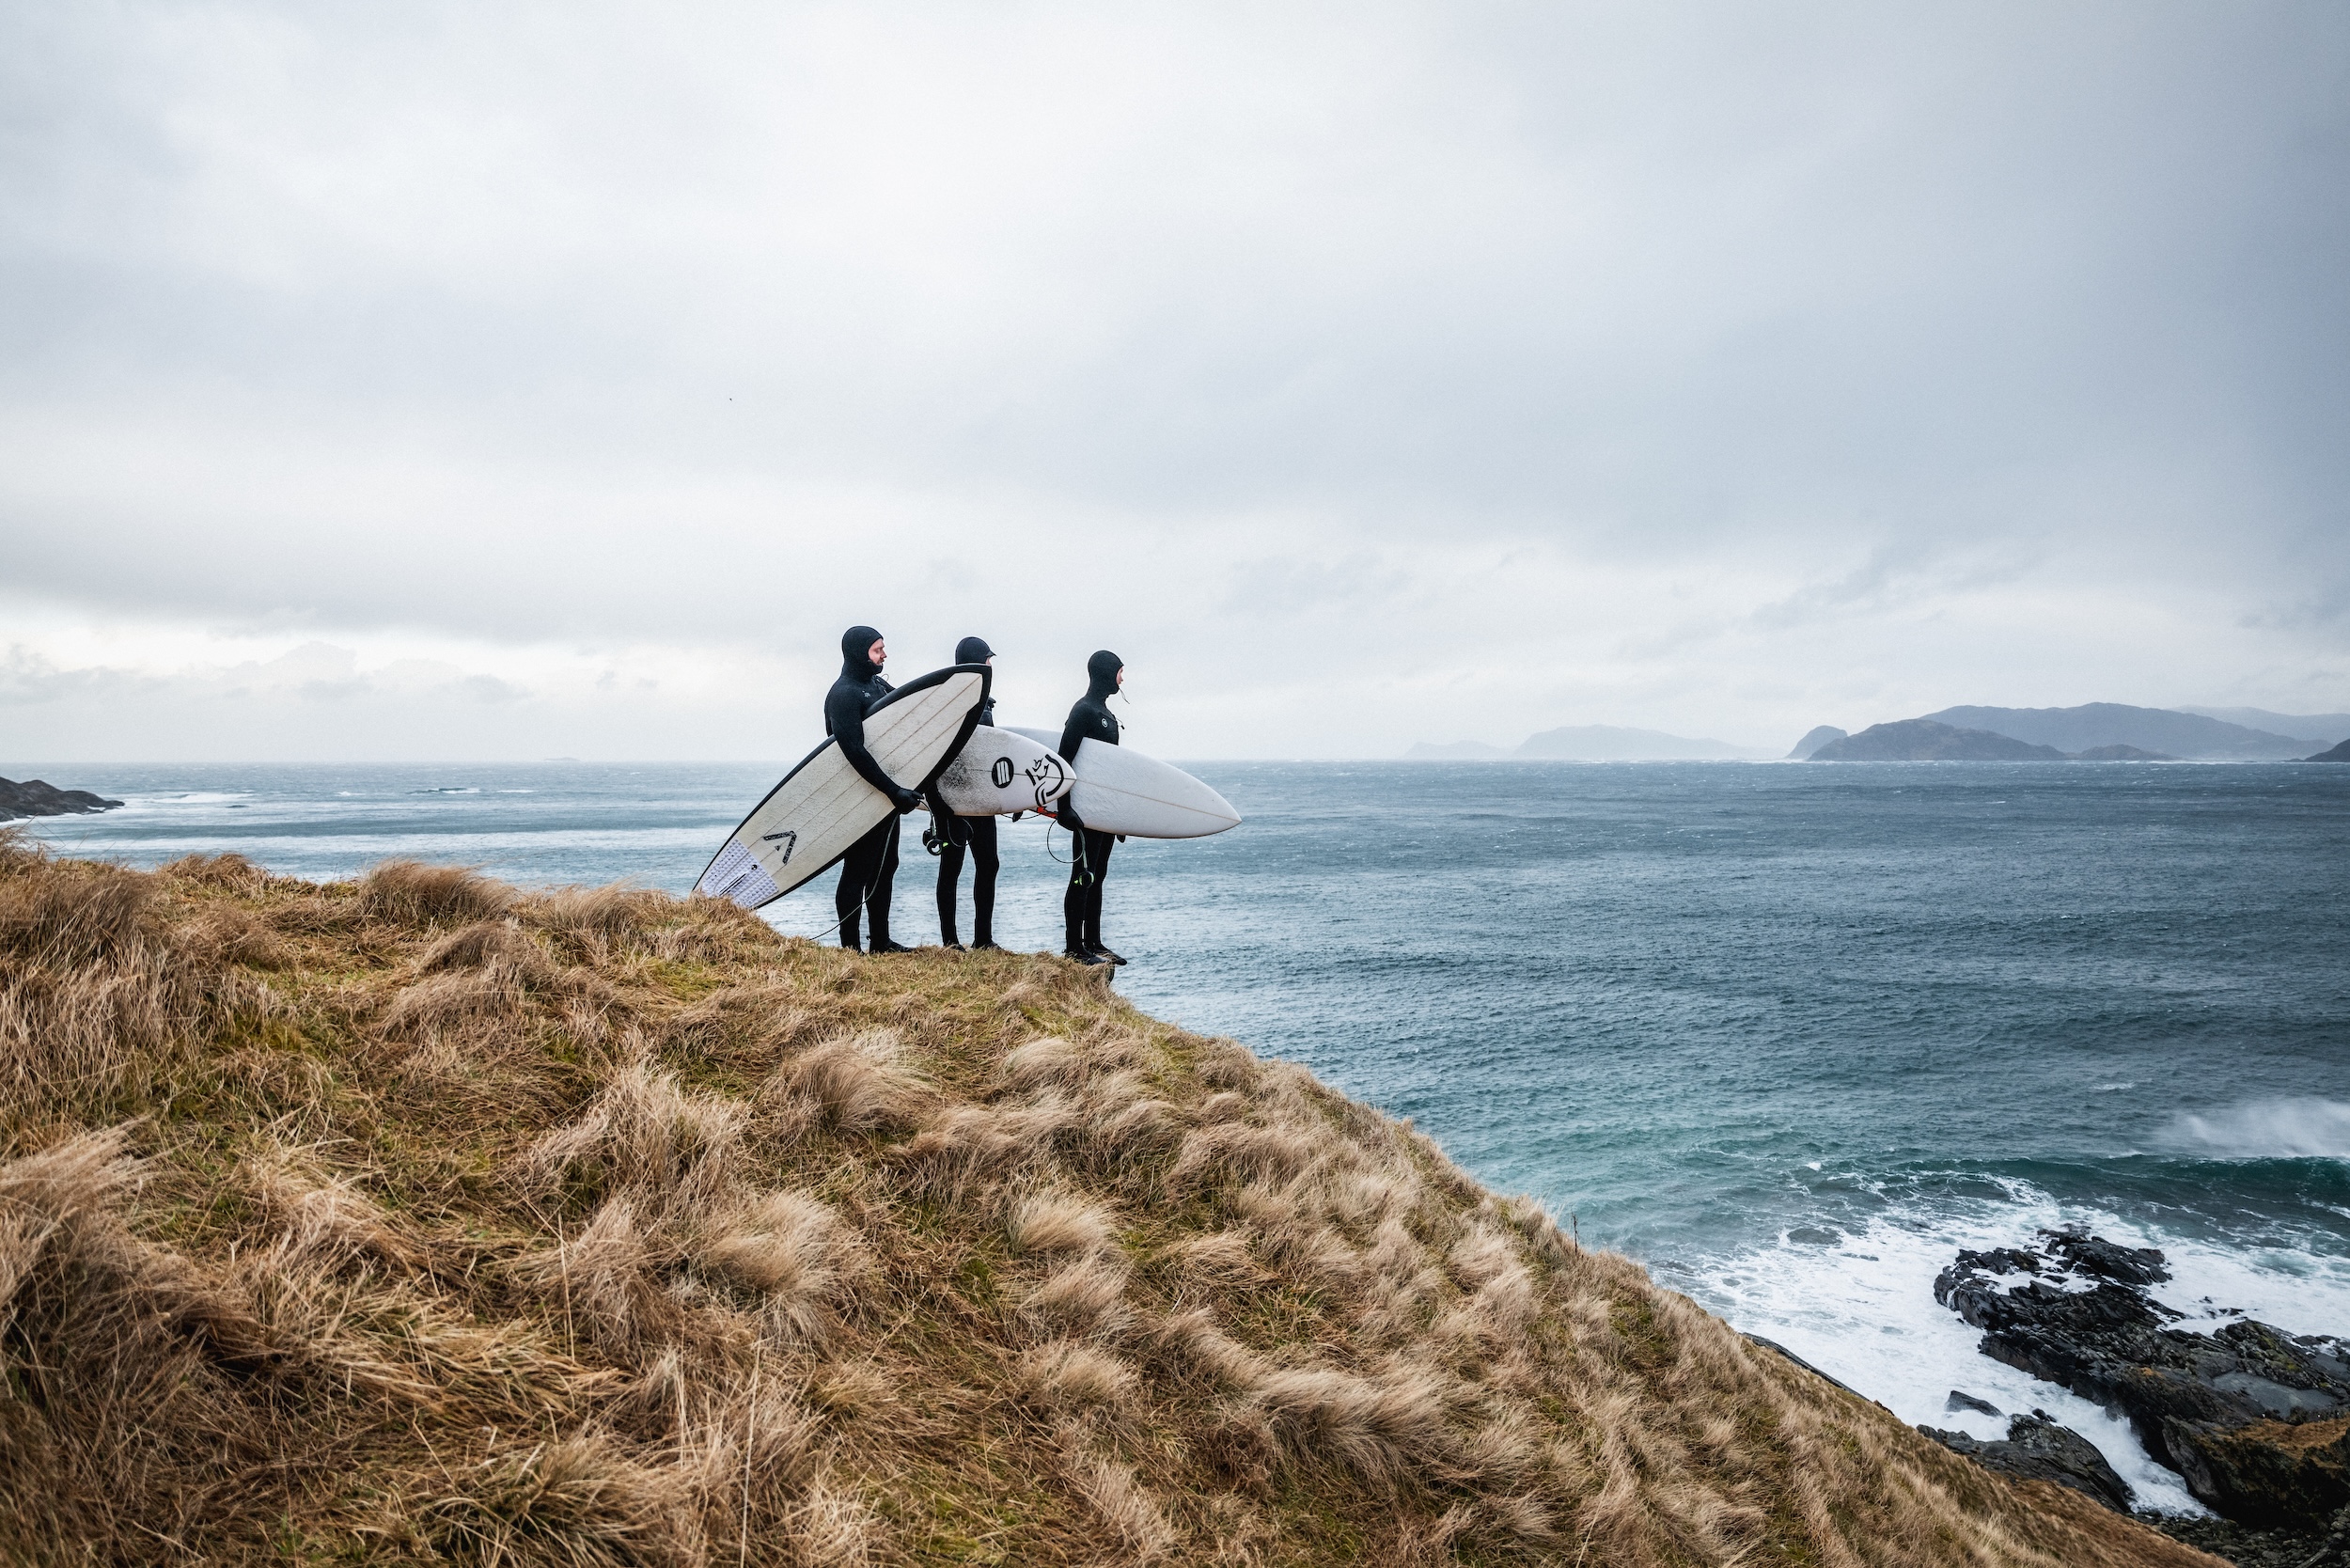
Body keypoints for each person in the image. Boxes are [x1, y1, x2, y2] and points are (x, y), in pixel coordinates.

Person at [825, 624, 921, 952]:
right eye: (877, 650)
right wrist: (893, 791)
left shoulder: (876, 684)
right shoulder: (843, 694)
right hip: (859, 795)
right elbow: (853, 750)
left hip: (887, 793)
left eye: (883, 648)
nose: (883, 655)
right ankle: (850, 949)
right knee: (858, 869)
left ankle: (880, 941)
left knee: (886, 864)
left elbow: (911, 705)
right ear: (858, 653)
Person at [932, 635, 1003, 950]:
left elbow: (987, 756)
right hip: (953, 803)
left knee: (989, 864)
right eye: (987, 659)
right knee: (951, 867)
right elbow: (933, 760)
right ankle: (950, 942)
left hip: (981, 802)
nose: (991, 666)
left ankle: (983, 940)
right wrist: (940, 808)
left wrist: (1010, 797)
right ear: (976, 661)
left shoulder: (984, 702)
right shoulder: (950, 701)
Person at [1057, 649, 1125, 966]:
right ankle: (1074, 947)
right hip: (1084, 810)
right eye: (1120, 671)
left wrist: (1120, 817)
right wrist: (1063, 808)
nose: (1122, 678)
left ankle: (1093, 941)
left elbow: (1109, 771)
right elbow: (1063, 761)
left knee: (1098, 875)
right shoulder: (1083, 711)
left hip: (1104, 811)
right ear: (1105, 673)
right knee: (1082, 875)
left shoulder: (1107, 715)